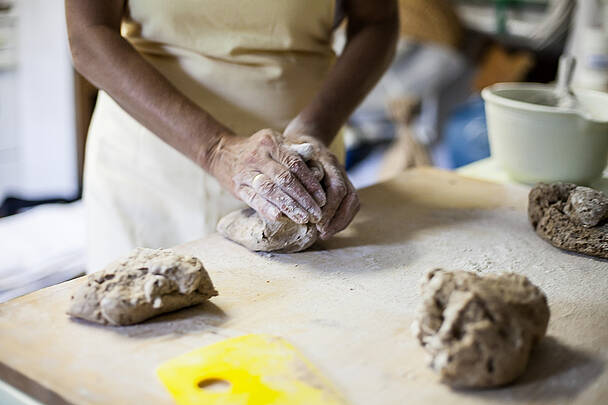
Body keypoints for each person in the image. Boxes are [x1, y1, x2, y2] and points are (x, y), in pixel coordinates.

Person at [66, 0, 398, 271]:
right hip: (151, 166)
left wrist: (314, 129)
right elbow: (88, 34)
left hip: (293, 170)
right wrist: (215, 149)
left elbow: (377, 22)